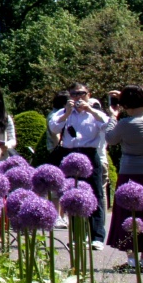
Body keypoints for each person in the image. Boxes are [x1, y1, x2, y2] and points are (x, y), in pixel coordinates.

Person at [103, 85, 143, 271]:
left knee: (128, 215)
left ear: (125, 104)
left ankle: (131, 259)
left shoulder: (126, 124)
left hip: (130, 173)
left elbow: (110, 139)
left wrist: (113, 115)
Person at [48, 81, 111, 248]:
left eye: (81, 93)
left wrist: (90, 110)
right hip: (70, 154)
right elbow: (53, 128)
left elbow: (107, 125)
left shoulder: (95, 113)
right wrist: (66, 114)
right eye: (74, 94)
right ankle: (77, 236)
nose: (78, 97)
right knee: (72, 196)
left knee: (95, 195)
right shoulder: (63, 112)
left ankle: (97, 236)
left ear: (88, 95)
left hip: (90, 154)